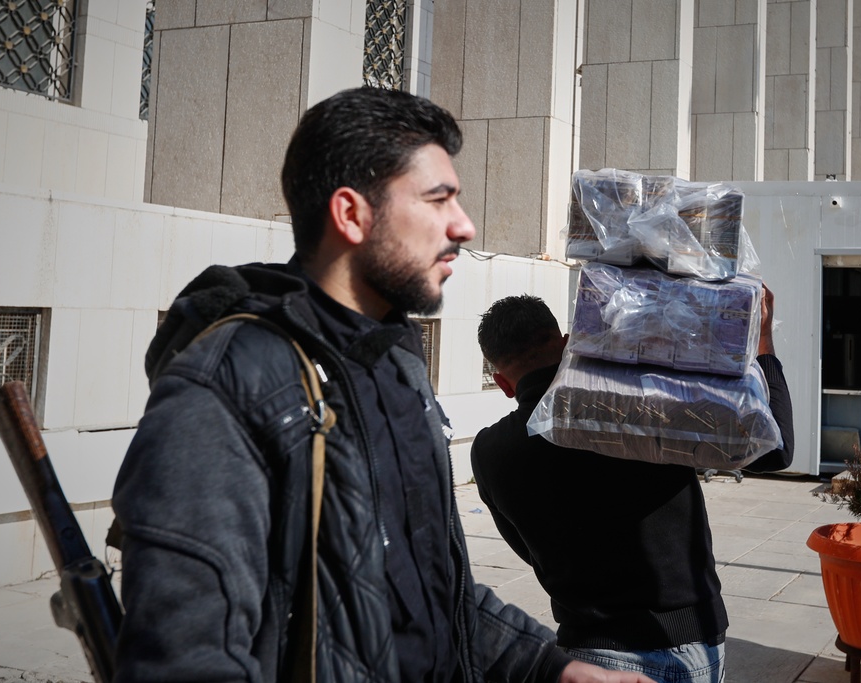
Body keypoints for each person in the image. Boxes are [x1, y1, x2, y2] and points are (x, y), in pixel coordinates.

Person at [111, 87, 654, 683]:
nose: (464, 226)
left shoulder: (393, 363)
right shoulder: (226, 387)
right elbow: (187, 657)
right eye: (438, 199)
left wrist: (553, 670)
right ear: (351, 214)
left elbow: (428, 593)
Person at [471, 288, 795, 683]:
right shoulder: (643, 407)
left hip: (587, 655)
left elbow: (528, 550)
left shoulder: (489, 453)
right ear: (568, 343)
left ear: (502, 382)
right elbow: (775, 451)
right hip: (689, 644)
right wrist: (762, 338)